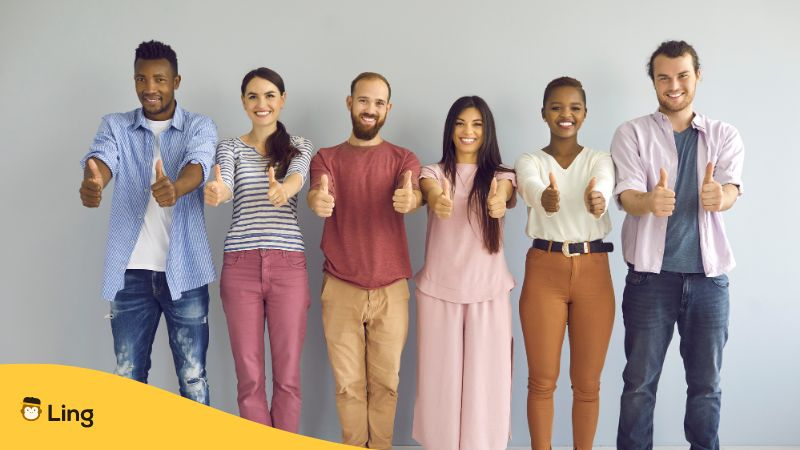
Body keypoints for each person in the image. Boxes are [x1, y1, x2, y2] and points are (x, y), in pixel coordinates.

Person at [612, 40, 744, 450]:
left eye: (682, 75)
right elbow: (626, 195)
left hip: (709, 281)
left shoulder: (724, 134)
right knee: (638, 385)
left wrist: (718, 198)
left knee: (707, 386)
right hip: (651, 281)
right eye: (663, 77)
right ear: (653, 81)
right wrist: (649, 202)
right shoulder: (631, 133)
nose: (674, 85)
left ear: (697, 76)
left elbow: (731, 190)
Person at [78, 40, 216, 404]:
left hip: (185, 273)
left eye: (159, 79)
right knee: (127, 377)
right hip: (130, 275)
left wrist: (177, 187)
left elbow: (199, 164)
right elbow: (102, 159)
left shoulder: (199, 126)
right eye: (141, 79)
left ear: (176, 81)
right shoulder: (116, 125)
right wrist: (95, 182)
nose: (149, 88)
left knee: (193, 377)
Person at [307, 72, 421, 450]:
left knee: (387, 385)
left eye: (377, 103)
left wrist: (412, 200)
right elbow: (318, 193)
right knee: (348, 386)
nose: (369, 109)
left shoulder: (403, 158)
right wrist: (318, 202)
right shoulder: (327, 158)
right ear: (349, 103)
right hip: (341, 287)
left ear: (388, 109)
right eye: (363, 101)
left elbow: (413, 190)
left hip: (391, 290)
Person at [204, 67, 313, 431]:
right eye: (253, 96)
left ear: (282, 100)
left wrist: (286, 189)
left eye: (269, 96)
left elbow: (298, 174)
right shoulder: (230, 146)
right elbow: (227, 185)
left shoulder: (299, 145)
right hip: (241, 266)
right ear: (243, 102)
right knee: (249, 379)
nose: (261, 103)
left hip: (288, 265)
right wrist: (219, 192)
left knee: (288, 377)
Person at [515, 77, 616, 450]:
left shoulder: (599, 159)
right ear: (543, 113)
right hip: (545, 269)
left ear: (585, 114)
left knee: (587, 384)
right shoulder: (531, 160)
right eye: (556, 107)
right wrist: (545, 197)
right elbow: (527, 184)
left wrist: (598, 199)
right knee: (542, 381)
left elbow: (603, 182)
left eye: (574, 107)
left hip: (594, 271)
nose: (565, 114)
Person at [412, 96, 516, 450]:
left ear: (487, 131)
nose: (467, 131)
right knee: (439, 381)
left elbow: (505, 191)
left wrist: (498, 201)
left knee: (487, 382)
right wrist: (436, 198)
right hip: (439, 291)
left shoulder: (503, 176)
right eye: (460, 123)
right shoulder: (434, 173)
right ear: (450, 129)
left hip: (488, 292)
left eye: (476, 124)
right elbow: (427, 189)